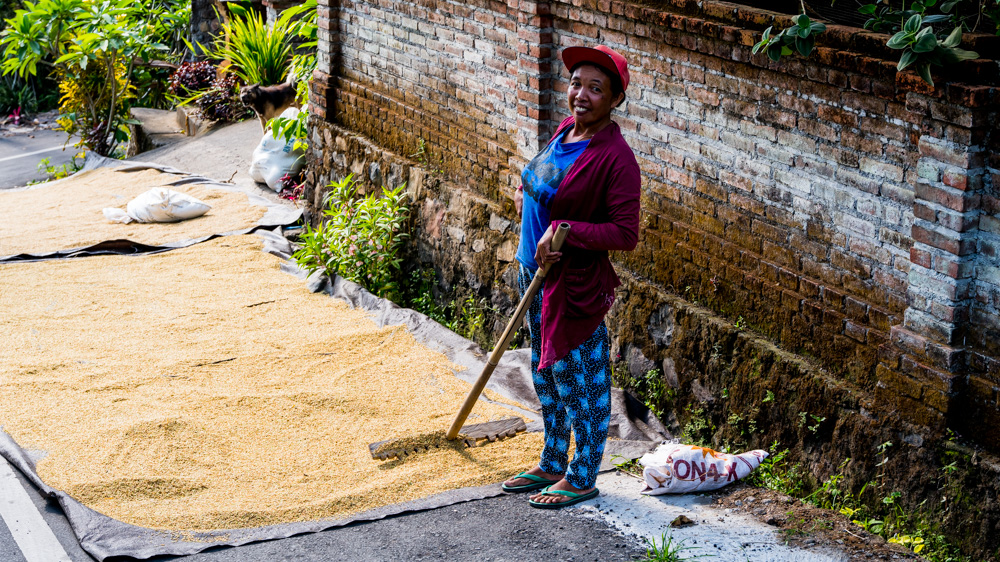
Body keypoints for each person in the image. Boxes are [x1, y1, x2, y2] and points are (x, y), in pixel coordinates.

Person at [501, 45, 641, 508]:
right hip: (532, 274)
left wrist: (567, 230)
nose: (581, 94)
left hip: (572, 285)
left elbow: (624, 232)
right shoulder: (566, 131)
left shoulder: (617, 158)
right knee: (544, 372)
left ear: (615, 99)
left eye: (595, 88)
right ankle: (554, 459)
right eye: (577, 83)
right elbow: (548, 182)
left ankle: (582, 475)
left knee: (580, 378)